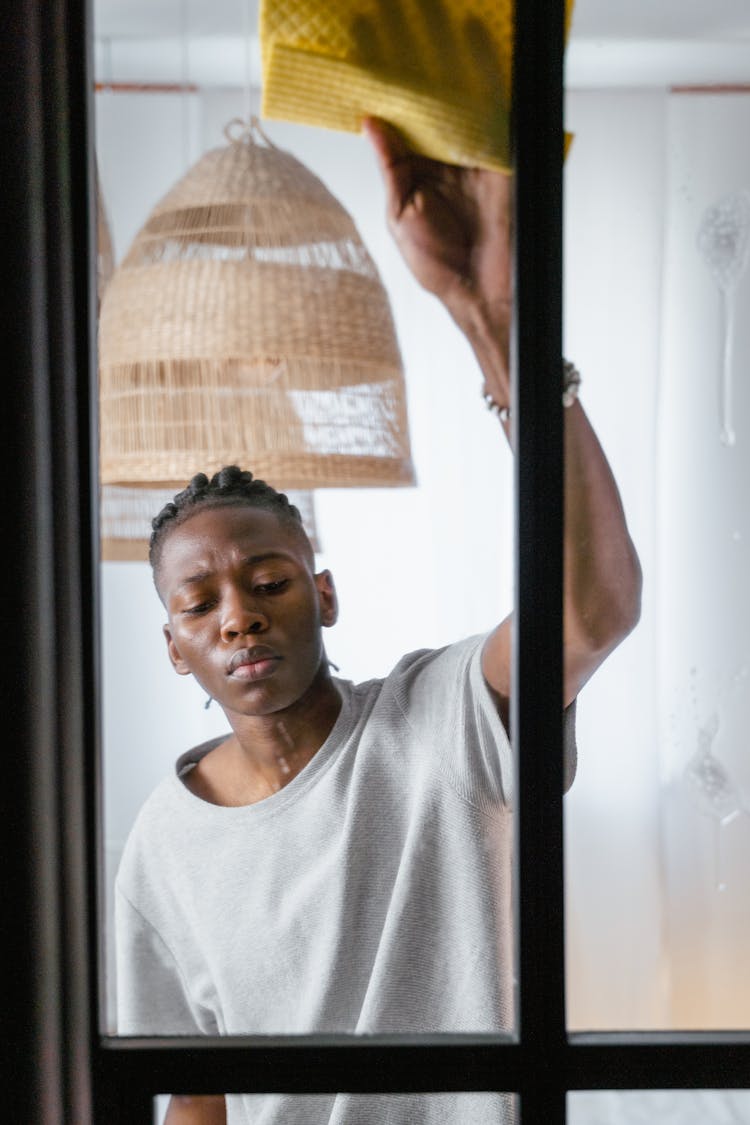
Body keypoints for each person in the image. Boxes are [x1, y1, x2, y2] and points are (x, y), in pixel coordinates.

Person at [115, 118, 642, 1125]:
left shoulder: (434, 722)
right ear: (175, 648)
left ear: (325, 595)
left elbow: (593, 605)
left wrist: (496, 320)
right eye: (199, 603)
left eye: (269, 580)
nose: (238, 618)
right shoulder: (160, 847)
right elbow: (194, 1094)